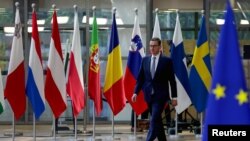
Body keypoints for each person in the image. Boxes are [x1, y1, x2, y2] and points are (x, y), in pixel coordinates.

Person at [132, 37, 177, 141]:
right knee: (157, 120)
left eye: (154, 46)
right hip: (148, 96)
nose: (152, 48)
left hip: (161, 96)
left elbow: (172, 80)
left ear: (159, 47)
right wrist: (135, 93)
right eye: (150, 46)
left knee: (153, 120)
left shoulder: (167, 61)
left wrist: (174, 97)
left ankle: (149, 139)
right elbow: (140, 79)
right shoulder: (145, 60)